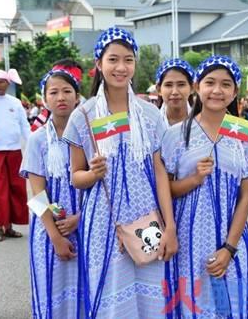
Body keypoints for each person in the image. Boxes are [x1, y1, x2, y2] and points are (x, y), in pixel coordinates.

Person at [63, 27, 178, 318]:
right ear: (99, 65)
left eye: (128, 60)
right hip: (104, 224)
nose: (121, 67)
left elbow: (160, 172)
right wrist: (93, 173)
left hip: (147, 221)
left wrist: (170, 226)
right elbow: (75, 176)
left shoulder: (150, 114)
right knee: (112, 302)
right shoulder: (83, 115)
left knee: (151, 300)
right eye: (113, 59)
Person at [161, 55, 248, 317]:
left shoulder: (244, 135)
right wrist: (194, 179)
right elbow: (166, 191)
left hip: (232, 239)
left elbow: (246, 196)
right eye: (210, 83)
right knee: (192, 306)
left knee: (229, 308)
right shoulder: (176, 134)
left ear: (235, 91)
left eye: (226, 84)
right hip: (188, 241)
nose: (217, 90)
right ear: (197, 87)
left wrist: (229, 248)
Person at [21, 67, 82, 318]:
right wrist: (55, 236)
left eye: (67, 91)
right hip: (49, 228)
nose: (61, 97)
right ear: (44, 99)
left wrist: (80, 218)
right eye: (53, 92)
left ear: (77, 97)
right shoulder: (37, 140)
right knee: (51, 290)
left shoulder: (88, 135)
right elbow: (36, 195)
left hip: (83, 222)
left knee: (83, 290)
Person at [0, 69, 31, 241]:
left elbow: (24, 125)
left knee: (16, 188)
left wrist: (32, 144)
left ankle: (9, 226)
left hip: (14, 150)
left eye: (1, 82)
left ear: (7, 83)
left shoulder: (15, 102)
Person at [155, 58, 194, 127]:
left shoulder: (204, 122)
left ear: (192, 88)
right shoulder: (150, 123)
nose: (175, 92)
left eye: (181, 84)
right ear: (159, 89)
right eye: (168, 85)